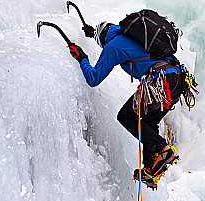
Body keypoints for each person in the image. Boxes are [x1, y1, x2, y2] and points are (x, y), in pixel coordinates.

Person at [68, 21, 185, 190]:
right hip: (177, 80)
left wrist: (82, 58)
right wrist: (93, 33)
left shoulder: (113, 47)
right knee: (148, 122)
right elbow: (112, 40)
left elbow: (93, 79)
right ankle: (151, 169)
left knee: (126, 116)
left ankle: (163, 149)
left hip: (160, 81)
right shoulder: (131, 35)